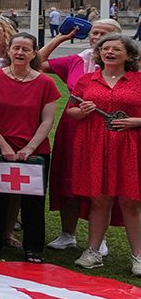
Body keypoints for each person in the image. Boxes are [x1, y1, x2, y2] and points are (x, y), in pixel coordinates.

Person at [0, 31, 61, 261]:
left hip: (34, 150)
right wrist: (3, 146)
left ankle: (33, 248)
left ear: (34, 53)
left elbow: (47, 120)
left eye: (26, 49)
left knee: (33, 202)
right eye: (16, 48)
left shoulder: (45, 83)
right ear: (9, 51)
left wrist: (30, 149)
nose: (20, 52)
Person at [63, 32, 141, 274]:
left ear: (128, 54)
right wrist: (83, 111)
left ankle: (138, 255)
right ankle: (93, 251)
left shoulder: (139, 80)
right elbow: (70, 113)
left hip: (129, 145)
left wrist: (136, 121)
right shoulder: (87, 80)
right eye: (105, 49)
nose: (109, 53)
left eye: (116, 49)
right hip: (94, 144)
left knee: (131, 202)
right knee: (99, 199)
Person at [43, 17, 120, 254]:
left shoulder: (122, 62)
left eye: (103, 34)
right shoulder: (78, 60)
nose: (96, 38)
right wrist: (62, 37)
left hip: (104, 127)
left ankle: (100, 238)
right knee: (69, 176)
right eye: (94, 33)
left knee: (102, 181)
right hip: (74, 125)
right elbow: (38, 62)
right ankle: (68, 233)